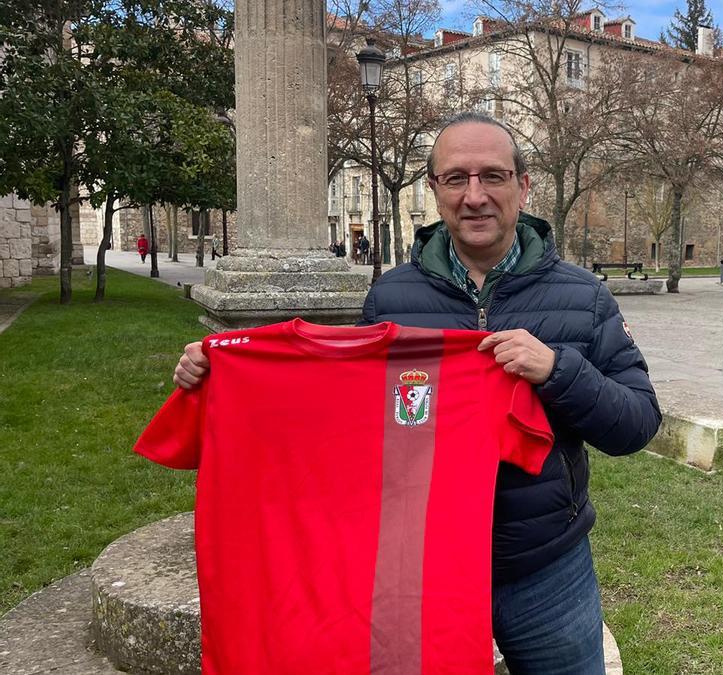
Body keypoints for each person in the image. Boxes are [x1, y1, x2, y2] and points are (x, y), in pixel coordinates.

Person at [172, 111, 661, 674]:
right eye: (456, 178)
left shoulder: (583, 297)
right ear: (434, 190)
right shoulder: (391, 297)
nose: (474, 195)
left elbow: (638, 424)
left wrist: (557, 370)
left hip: (544, 567)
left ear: (522, 186)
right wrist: (224, 374)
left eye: (492, 176)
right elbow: (338, 417)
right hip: (419, 570)